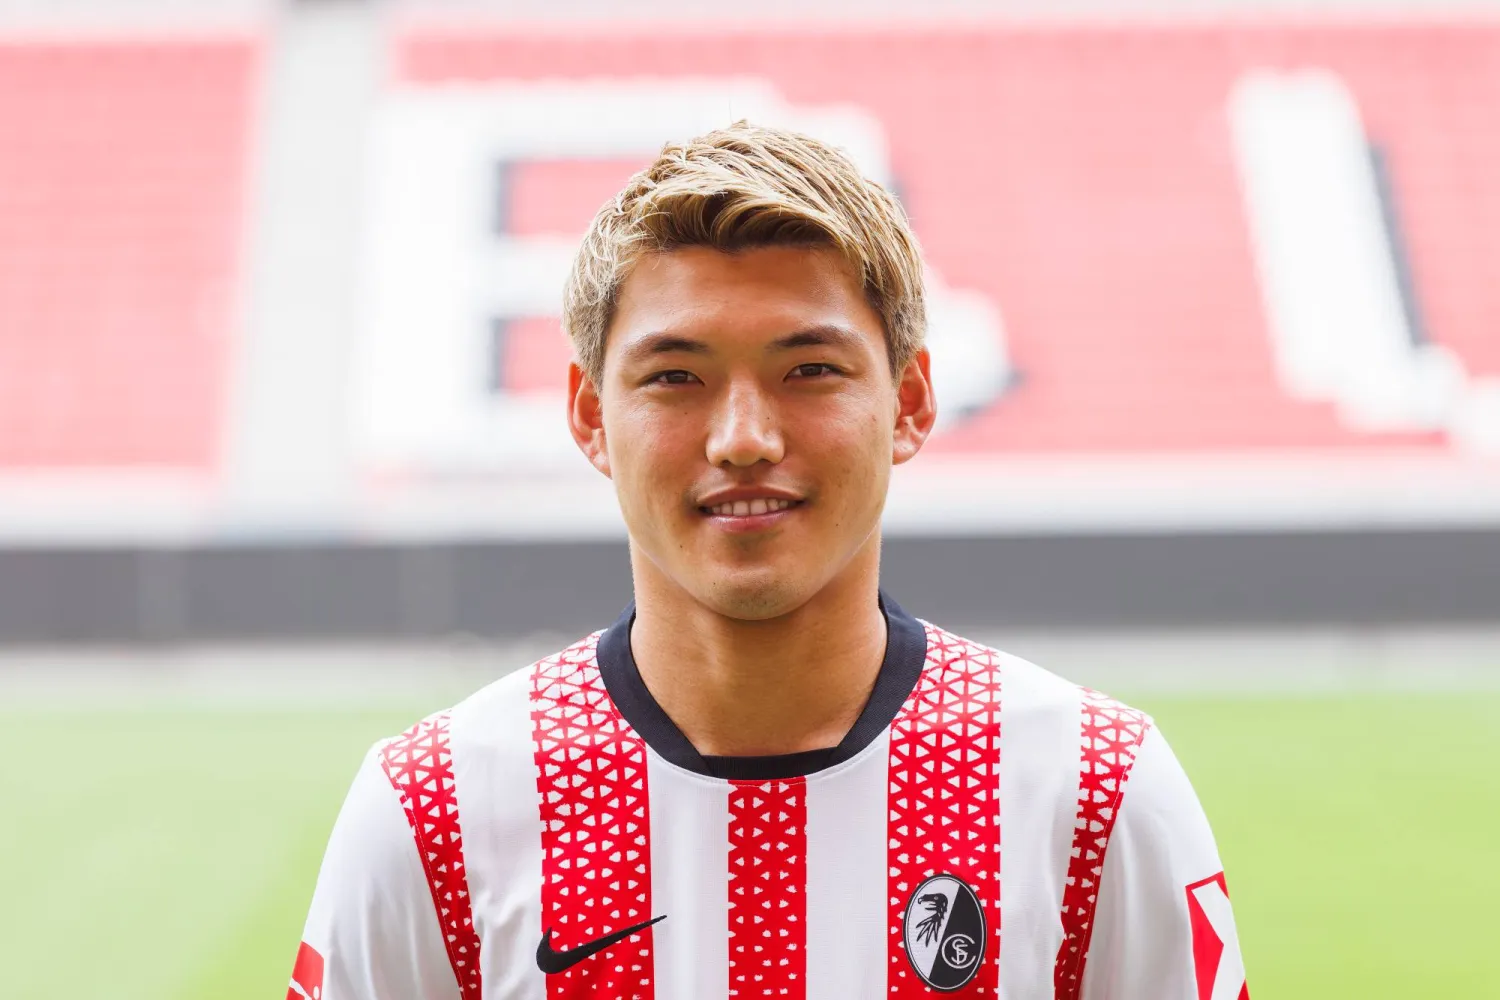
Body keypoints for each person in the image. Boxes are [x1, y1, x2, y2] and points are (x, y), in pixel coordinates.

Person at [289, 122, 1248, 1000]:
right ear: (589, 415)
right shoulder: (434, 814)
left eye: (810, 370)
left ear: (911, 401)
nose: (743, 438)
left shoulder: (1092, 792)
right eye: (676, 376)